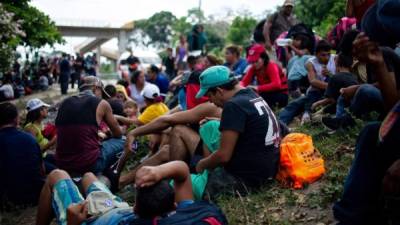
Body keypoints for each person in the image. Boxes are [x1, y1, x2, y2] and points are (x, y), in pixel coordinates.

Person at [36, 161, 227, 225]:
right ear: (175, 205)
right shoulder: (193, 215)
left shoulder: (193, 212)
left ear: (135, 208)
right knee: (88, 177)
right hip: (114, 208)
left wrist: (72, 223)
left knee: (56, 174)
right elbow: (183, 172)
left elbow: (182, 171)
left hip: (92, 216)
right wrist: (158, 172)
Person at [194, 66, 281, 195]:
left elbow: (224, 156)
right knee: (209, 126)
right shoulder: (251, 94)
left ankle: (206, 178)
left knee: (179, 182)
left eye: (209, 95)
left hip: (245, 180)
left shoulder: (233, 105)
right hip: (268, 168)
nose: (210, 101)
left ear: (219, 91)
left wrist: (202, 164)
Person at [55, 76, 124, 175]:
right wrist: (108, 134)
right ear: (96, 88)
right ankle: (114, 176)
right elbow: (118, 134)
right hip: (89, 164)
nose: (101, 96)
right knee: (125, 140)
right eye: (101, 93)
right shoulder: (102, 103)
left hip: (62, 164)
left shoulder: (64, 103)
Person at [279, 40, 336, 125]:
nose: (326, 57)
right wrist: (330, 85)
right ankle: (281, 123)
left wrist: (330, 76)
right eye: (323, 55)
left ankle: (307, 114)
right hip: (316, 92)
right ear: (316, 54)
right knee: (295, 105)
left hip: (332, 93)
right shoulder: (310, 63)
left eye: (328, 54)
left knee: (306, 100)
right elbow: (313, 81)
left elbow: (340, 79)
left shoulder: (335, 59)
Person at [0, 102, 45, 206]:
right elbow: (42, 170)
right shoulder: (30, 139)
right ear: (17, 119)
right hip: (35, 196)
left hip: (7, 200)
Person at [241, 44, 288, 108]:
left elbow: (277, 85)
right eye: (252, 62)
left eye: (256, 61)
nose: (254, 64)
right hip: (266, 94)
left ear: (263, 58)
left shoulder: (271, 66)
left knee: (255, 101)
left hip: (280, 95)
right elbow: (244, 82)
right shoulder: (253, 68)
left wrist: (257, 88)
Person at [285, 34, 314, 98]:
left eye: (297, 40)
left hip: (301, 78)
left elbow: (301, 53)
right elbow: (289, 59)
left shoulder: (306, 50)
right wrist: (286, 48)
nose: (294, 41)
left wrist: (291, 45)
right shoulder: (295, 56)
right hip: (292, 78)